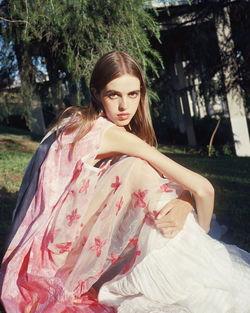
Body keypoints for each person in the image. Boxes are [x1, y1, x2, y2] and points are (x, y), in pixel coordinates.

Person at [0, 51, 249, 313]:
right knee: (137, 169)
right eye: (113, 95)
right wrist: (204, 232)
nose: (124, 106)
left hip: (51, 244)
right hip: (57, 257)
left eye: (133, 94)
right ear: (96, 93)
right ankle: (196, 261)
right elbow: (203, 188)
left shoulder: (80, 122)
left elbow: (177, 185)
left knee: (149, 181)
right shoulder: (108, 133)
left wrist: (184, 203)